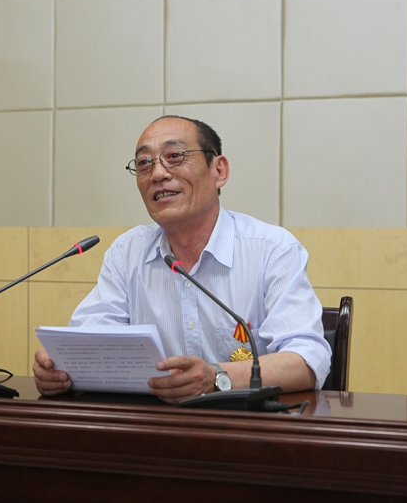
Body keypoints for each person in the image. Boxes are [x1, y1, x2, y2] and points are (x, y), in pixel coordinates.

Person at [33, 115, 331, 403]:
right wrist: (60, 367)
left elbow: (307, 360)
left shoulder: (272, 249)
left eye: (174, 156)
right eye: (144, 163)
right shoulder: (128, 252)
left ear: (219, 170)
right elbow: (88, 342)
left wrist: (217, 376)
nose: (158, 174)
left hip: (246, 427)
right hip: (152, 427)